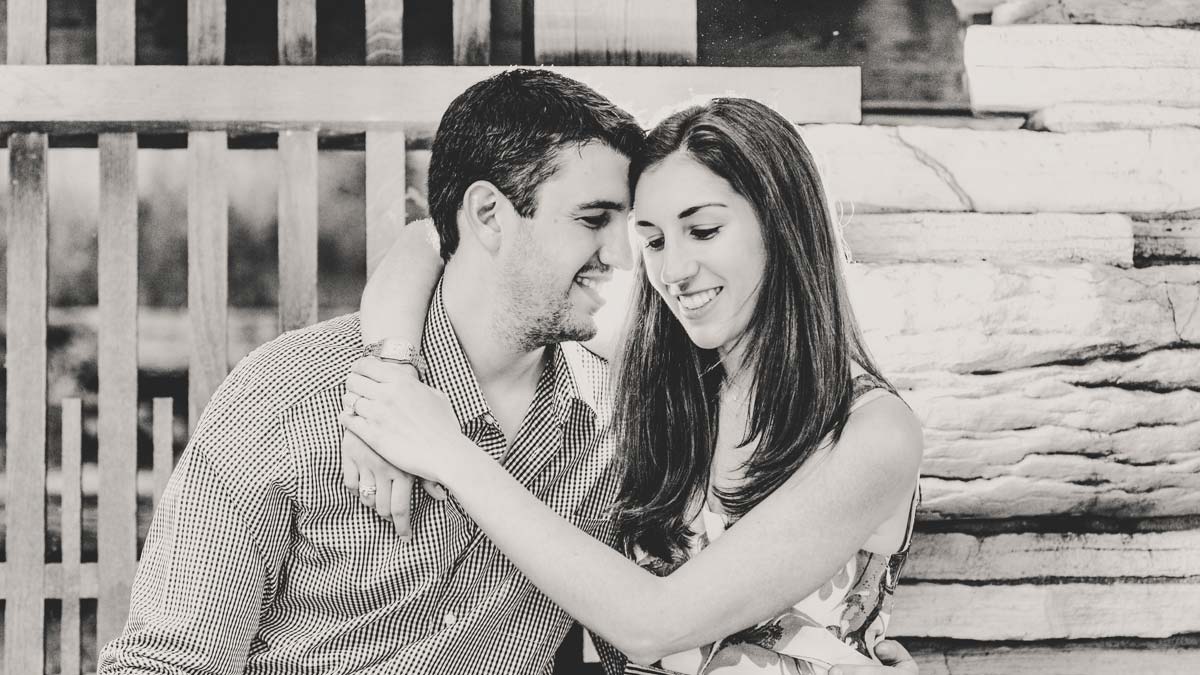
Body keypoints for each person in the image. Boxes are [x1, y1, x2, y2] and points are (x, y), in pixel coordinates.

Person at [341, 96, 924, 675]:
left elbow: (654, 625)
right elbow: (429, 240)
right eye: (654, 239)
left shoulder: (871, 431)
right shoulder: (669, 380)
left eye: (703, 229)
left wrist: (444, 450)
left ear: (784, 223)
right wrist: (390, 371)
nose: (673, 272)